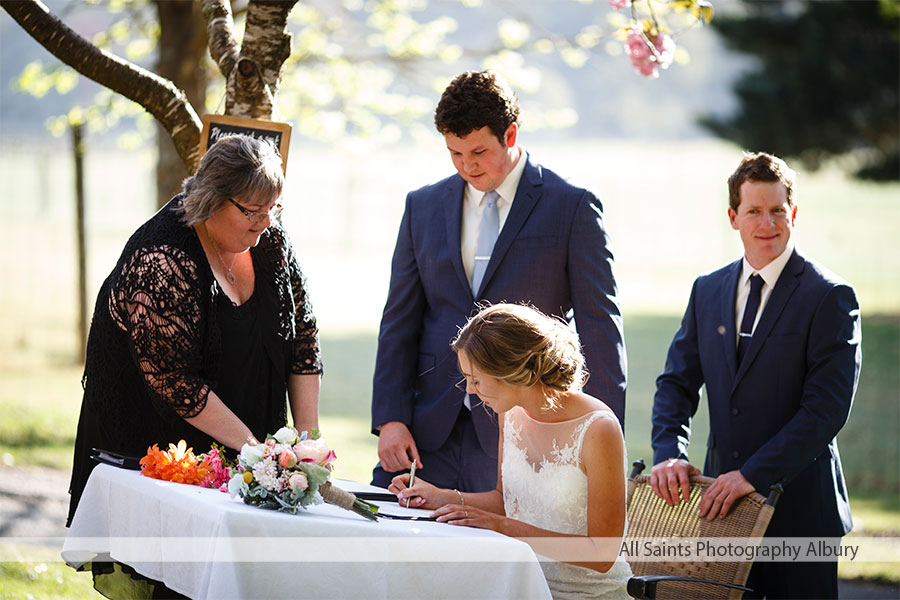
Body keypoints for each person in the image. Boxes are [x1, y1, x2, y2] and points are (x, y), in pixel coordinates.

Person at [371, 70, 626, 493]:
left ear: (509, 134)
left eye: (478, 151)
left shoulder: (572, 207)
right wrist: (390, 418)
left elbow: (601, 328)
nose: (467, 166)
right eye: (454, 153)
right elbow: (399, 320)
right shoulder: (423, 206)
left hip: (528, 430)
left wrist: (596, 433)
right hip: (426, 430)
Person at [68, 134, 323, 528]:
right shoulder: (162, 259)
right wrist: (257, 452)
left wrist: (305, 445)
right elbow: (176, 383)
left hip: (247, 452)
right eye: (254, 211)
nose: (267, 221)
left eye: (274, 208)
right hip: (161, 457)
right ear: (211, 201)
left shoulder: (268, 240)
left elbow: (303, 338)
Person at [650, 152, 861, 599]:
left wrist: (751, 474)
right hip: (721, 511)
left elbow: (826, 410)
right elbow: (676, 383)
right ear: (733, 217)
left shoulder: (830, 296)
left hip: (802, 517)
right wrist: (669, 450)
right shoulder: (707, 290)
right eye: (754, 211)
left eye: (777, 210)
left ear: (794, 213)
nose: (767, 223)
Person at [390, 303, 632, 600]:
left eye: (476, 379)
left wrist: (502, 527)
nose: (469, 390)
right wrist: (442, 496)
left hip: (585, 594)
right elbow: (506, 500)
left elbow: (603, 552)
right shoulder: (511, 412)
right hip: (517, 583)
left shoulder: (598, 428)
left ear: (511, 372)